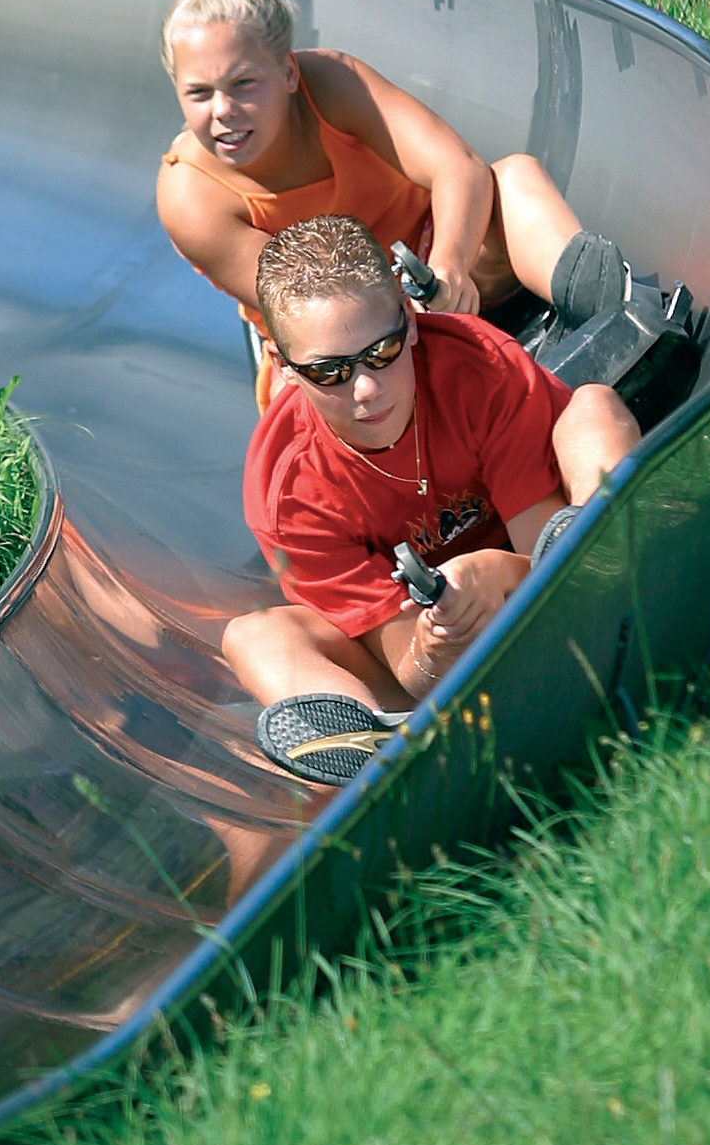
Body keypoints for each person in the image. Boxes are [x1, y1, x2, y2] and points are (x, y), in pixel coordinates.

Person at [223, 215, 639, 782]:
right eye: (329, 372)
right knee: (253, 636)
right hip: (430, 662)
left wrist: (494, 574)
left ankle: (610, 552)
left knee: (592, 408)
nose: (365, 389)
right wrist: (437, 639)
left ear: (410, 317)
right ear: (284, 369)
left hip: (545, 571)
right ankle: (374, 753)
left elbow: (550, 563)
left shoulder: (477, 367)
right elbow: (410, 665)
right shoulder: (288, 492)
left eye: (382, 350)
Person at [156, 0, 629, 404]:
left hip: (432, 274)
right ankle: (499, 393)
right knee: (317, 375)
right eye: (199, 93)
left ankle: (609, 321)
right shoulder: (190, 196)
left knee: (515, 178)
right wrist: (409, 306)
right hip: (347, 346)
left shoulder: (333, 84)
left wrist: (448, 264)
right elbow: (306, 306)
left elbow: (459, 166)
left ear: (288, 74)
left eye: (244, 84)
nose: (223, 110)